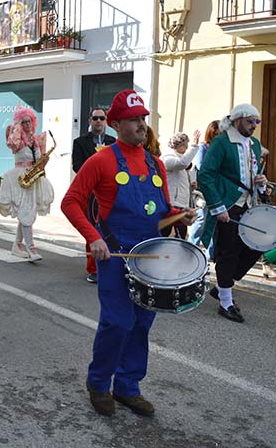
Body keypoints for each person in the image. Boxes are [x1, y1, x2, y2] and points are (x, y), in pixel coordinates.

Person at [61, 89, 194, 418]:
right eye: (134, 119)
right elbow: (71, 202)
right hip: (115, 257)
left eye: (143, 118)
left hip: (151, 258)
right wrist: (94, 238)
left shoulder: (154, 163)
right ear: (116, 124)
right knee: (117, 323)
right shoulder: (101, 160)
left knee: (141, 325)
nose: (141, 124)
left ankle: (127, 386)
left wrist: (179, 214)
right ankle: (98, 383)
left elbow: (161, 212)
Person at [198, 104, 268, 323]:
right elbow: (205, 175)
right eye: (250, 121)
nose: (254, 125)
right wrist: (218, 206)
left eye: (257, 121)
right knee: (229, 251)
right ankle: (226, 302)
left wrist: (261, 182)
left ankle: (222, 286)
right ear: (237, 120)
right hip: (227, 204)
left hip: (249, 204)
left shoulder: (255, 144)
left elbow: (252, 172)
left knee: (257, 245)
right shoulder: (221, 142)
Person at [0, 106, 55, 262]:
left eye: (29, 121)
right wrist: (14, 128)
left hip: (34, 178)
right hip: (20, 178)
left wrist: (44, 161)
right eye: (23, 122)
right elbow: (10, 139)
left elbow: (40, 161)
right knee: (26, 210)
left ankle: (17, 245)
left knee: (28, 211)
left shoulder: (36, 140)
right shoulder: (16, 139)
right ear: (19, 123)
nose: (27, 124)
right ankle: (31, 248)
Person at [72, 108, 115, 281]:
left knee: (109, 228)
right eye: (95, 118)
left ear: (106, 121)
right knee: (92, 228)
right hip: (90, 193)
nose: (98, 121)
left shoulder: (113, 142)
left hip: (108, 192)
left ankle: (110, 264)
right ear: (90, 120)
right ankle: (93, 269)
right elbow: (76, 165)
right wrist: (94, 171)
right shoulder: (80, 142)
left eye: (102, 118)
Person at [187, 120, 220, 261]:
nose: (218, 136)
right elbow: (202, 167)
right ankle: (190, 249)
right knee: (201, 219)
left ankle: (210, 252)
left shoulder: (221, 148)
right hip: (203, 189)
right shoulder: (203, 147)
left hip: (216, 188)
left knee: (213, 220)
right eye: (216, 133)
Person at [161, 130, 201, 239]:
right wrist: (194, 146)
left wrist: (191, 186)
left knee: (181, 236)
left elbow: (179, 180)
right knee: (166, 235)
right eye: (185, 144)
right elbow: (181, 163)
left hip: (182, 205)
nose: (187, 147)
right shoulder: (167, 157)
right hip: (171, 204)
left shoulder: (183, 159)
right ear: (178, 144)